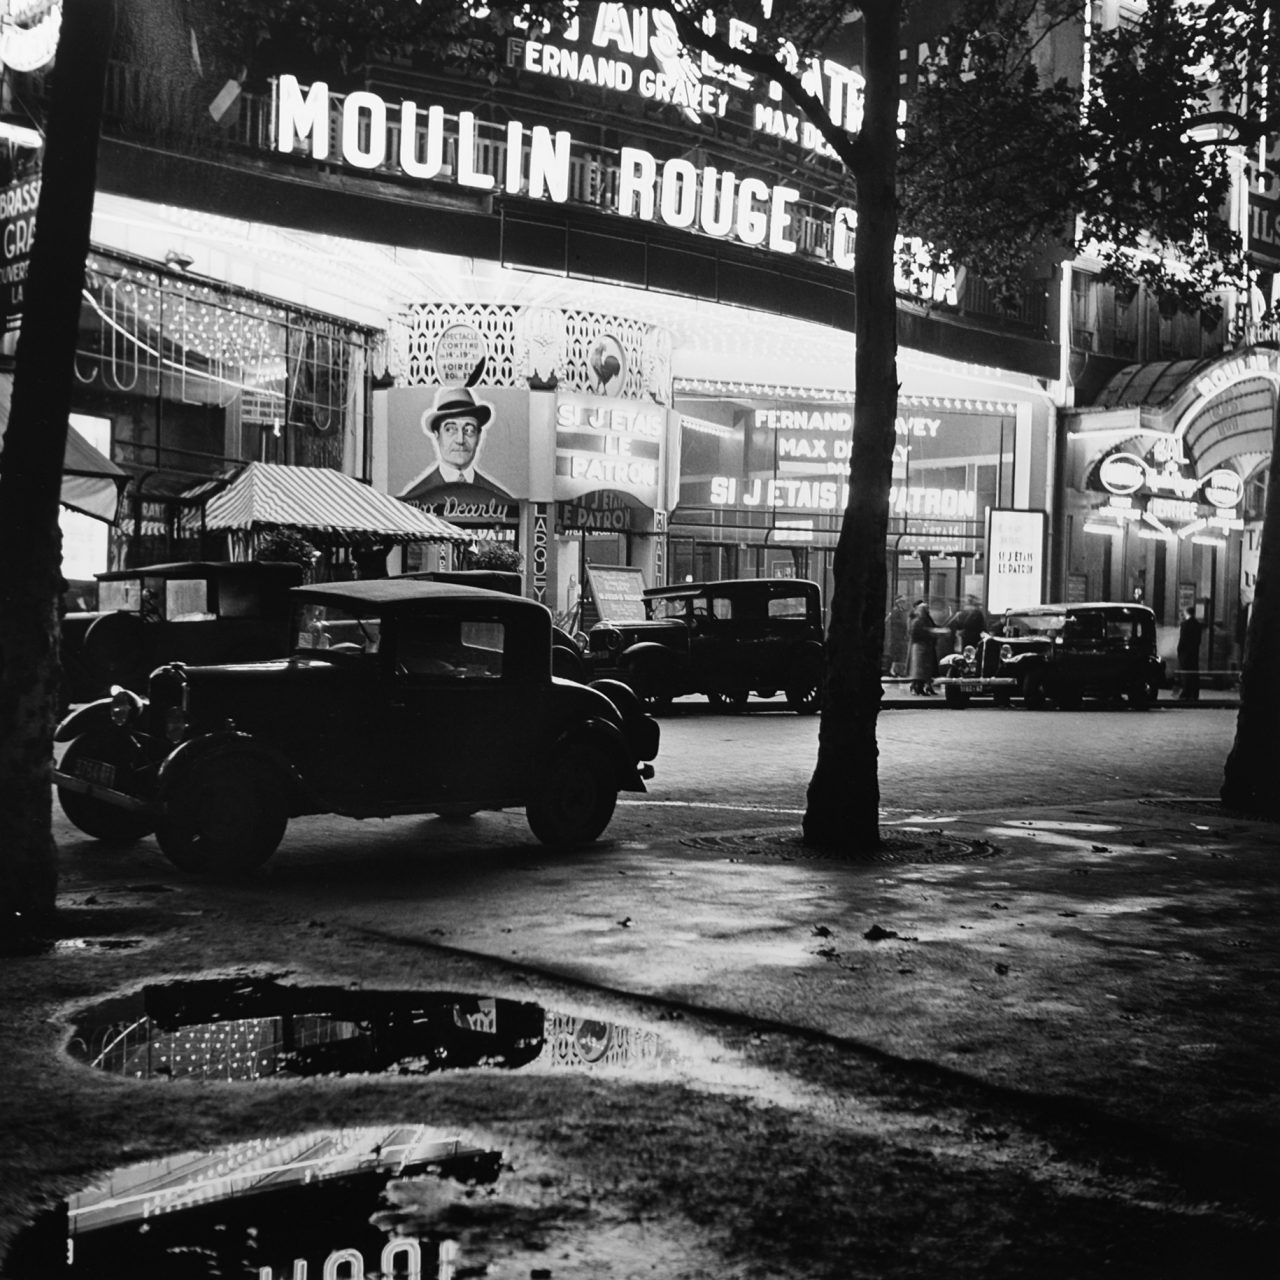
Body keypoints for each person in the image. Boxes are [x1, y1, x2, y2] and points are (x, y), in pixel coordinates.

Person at [399, 385, 512, 502]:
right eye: (450, 429)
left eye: (469, 430)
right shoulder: (413, 499)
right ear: (437, 435)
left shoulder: (500, 498)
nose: (460, 440)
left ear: (478, 436)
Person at [907, 598, 940, 695]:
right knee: (920, 669)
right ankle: (918, 687)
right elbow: (915, 632)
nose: (927, 610)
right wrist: (931, 632)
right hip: (921, 646)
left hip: (925, 646)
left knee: (923, 669)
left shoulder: (922, 618)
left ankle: (922, 687)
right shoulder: (918, 619)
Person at [1177, 605, 1202, 701]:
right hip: (1194, 652)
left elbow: (1182, 639)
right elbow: (1198, 640)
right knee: (1194, 673)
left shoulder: (1185, 624)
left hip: (1185, 653)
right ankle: (1194, 693)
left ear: (1186, 613)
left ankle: (1185, 692)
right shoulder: (1197, 624)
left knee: (1185, 673)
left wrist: (1179, 650)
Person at [884, 595, 909, 676]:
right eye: (903, 602)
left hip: (900, 636)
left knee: (899, 654)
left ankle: (897, 671)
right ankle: (892, 671)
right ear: (899, 603)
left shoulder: (901, 611)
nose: (905, 604)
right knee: (895, 654)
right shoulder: (896, 611)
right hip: (897, 636)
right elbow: (897, 623)